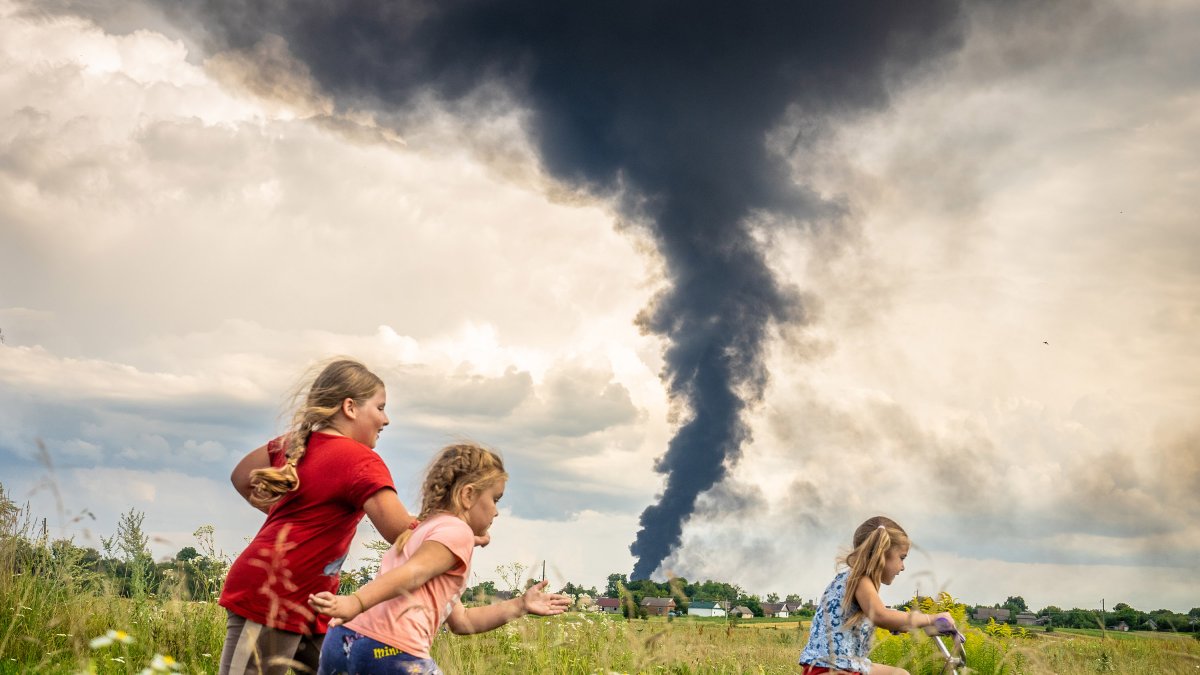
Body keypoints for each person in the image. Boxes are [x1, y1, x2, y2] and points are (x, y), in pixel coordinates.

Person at [218, 359, 417, 675]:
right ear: (350, 407)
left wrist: (290, 516)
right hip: (273, 595)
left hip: (312, 602)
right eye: (380, 408)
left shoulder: (296, 445)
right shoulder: (362, 460)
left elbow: (242, 476)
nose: (386, 419)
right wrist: (456, 528)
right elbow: (402, 532)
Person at [307, 442, 572, 675]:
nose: (496, 511)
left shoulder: (422, 531)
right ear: (468, 495)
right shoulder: (456, 533)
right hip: (390, 652)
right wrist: (356, 601)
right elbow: (415, 571)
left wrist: (521, 604)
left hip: (342, 641)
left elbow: (462, 621)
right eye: (495, 499)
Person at [798, 516, 956, 675]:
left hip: (835, 665)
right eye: (901, 558)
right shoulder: (859, 580)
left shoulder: (851, 579)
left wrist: (895, 623)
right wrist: (931, 619)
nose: (903, 567)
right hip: (832, 668)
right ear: (882, 555)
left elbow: (875, 615)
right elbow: (881, 615)